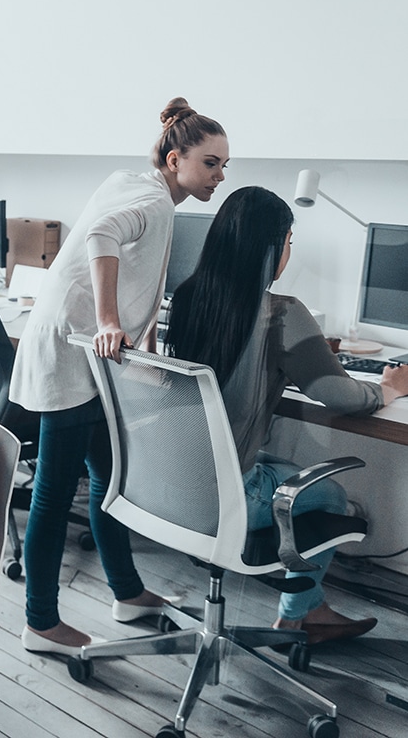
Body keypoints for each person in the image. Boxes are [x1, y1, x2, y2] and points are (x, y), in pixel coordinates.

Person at [9, 97, 229, 656]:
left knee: (111, 483)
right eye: (210, 164)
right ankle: (40, 624)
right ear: (176, 158)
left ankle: (127, 593)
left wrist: (144, 336)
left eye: (225, 166)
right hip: (73, 352)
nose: (219, 176)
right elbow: (102, 238)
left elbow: (138, 275)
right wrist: (110, 321)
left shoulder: (141, 186)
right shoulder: (153, 200)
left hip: (86, 357)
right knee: (56, 495)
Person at [165, 185, 408, 644]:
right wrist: (388, 388)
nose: (290, 253)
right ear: (272, 248)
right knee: (332, 496)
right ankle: (297, 615)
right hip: (230, 494)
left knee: (285, 470)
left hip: (175, 484)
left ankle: (308, 609)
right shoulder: (281, 313)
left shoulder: (188, 298)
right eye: (289, 242)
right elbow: (338, 395)